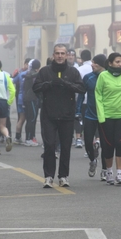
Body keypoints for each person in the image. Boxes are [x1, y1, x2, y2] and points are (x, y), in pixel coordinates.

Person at [33, 44, 85, 188]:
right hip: (49, 115)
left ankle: (63, 176)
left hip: (67, 115)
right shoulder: (45, 71)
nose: (60, 56)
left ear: (67, 55)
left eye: (63, 53)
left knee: (66, 147)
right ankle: (48, 176)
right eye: (57, 53)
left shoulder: (73, 71)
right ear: (53, 55)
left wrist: (66, 84)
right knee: (49, 146)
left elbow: (81, 88)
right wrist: (49, 84)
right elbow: (35, 87)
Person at [95, 53, 121, 185]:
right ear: (110, 63)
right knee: (108, 144)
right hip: (107, 116)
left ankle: (119, 173)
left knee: (119, 143)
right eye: (117, 62)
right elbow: (98, 95)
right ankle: (109, 171)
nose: (120, 64)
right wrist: (101, 115)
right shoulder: (103, 76)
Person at [76, 54, 108, 181]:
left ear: (101, 65)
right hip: (90, 114)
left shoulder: (108, 78)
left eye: (94, 63)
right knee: (88, 141)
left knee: (106, 144)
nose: (92, 64)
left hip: (105, 116)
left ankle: (105, 169)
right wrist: (78, 111)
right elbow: (81, 95)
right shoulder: (88, 78)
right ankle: (93, 160)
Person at [74, 49, 93, 148]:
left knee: (79, 119)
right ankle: (93, 140)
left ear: (81, 58)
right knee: (91, 120)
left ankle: (78, 139)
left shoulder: (79, 69)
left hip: (81, 98)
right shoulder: (94, 67)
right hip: (92, 99)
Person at [23, 59, 41, 147]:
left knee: (30, 119)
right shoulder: (34, 75)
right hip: (32, 98)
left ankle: (29, 137)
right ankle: (29, 138)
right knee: (32, 118)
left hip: (28, 98)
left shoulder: (29, 73)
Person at [13, 58, 30, 144]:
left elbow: (13, 81)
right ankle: (19, 137)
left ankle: (18, 137)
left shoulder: (20, 74)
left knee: (22, 118)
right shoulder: (28, 74)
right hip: (25, 99)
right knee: (23, 119)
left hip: (20, 98)